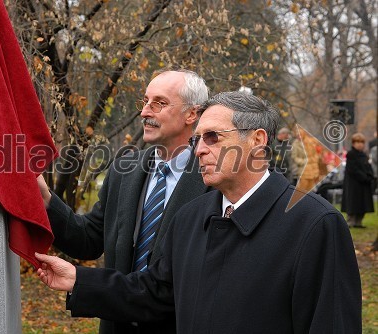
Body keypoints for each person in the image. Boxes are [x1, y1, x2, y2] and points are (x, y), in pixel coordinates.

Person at [35, 91, 362, 333]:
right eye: (196, 139)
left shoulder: (315, 224)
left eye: (212, 137)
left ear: (257, 141)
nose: (199, 148)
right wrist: (78, 279)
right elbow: (154, 293)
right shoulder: (191, 217)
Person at [37, 69, 210, 334]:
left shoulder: (214, 183)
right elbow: (89, 239)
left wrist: (80, 279)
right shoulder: (124, 171)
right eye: (145, 101)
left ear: (192, 114)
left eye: (159, 103)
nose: (144, 112)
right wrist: (46, 199)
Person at [341, 133, 375, 228]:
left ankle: (358, 222)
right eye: (357, 142)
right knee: (353, 204)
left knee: (362, 204)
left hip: (363, 184)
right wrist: (364, 177)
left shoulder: (364, 155)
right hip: (354, 184)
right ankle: (351, 222)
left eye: (361, 142)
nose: (359, 144)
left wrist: (370, 176)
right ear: (353, 143)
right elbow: (353, 170)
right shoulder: (351, 154)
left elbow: (368, 167)